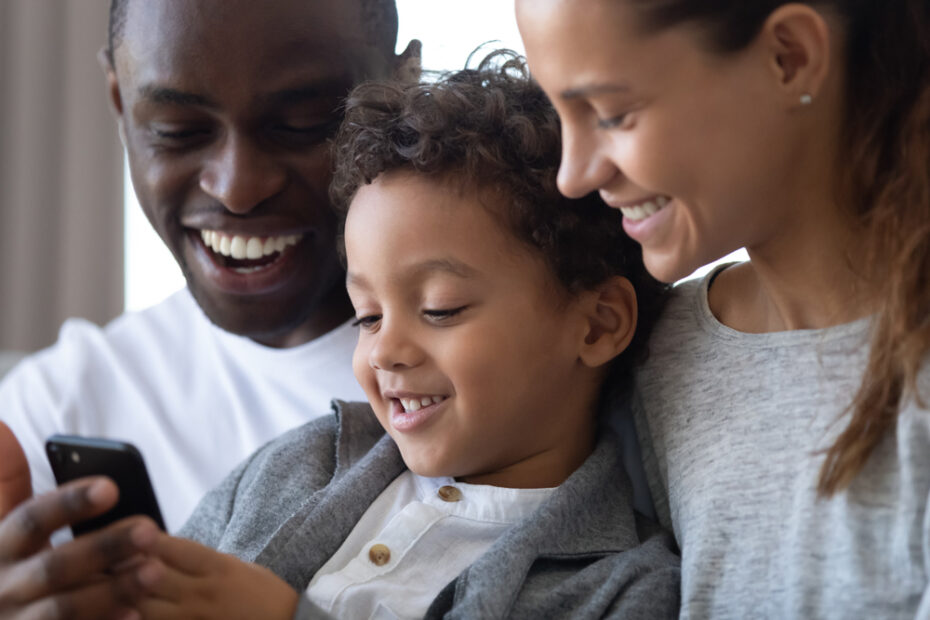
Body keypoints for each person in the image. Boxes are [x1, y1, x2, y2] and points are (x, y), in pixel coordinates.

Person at [9, 52, 678, 619]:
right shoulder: (295, 465)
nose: (385, 350)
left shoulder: (627, 587)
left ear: (597, 324)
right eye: (367, 315)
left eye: (440, 308)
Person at [517, 1, 930, 618]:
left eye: (613, 114)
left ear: (788, 58)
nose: (572, 176)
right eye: (559, 113)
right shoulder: (660, 352)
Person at [0, 0, 420, 534]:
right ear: (120, 105)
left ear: (403, 86)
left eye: (301, 124)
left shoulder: (505, 383)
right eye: (178, 130)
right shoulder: (62, 405)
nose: (238, 189)